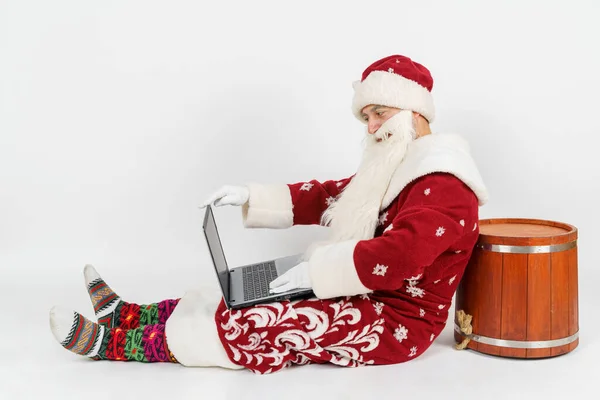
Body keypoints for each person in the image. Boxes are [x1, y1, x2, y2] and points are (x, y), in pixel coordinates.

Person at [49, 54, 489, 374]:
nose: (371, 127)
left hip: (397, 322)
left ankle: (114, 345)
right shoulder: (402, 167)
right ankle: (128, 315)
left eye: (379, 113)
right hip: (362, 290)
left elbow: (402, 255)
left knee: (262, 321)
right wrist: (249, 196)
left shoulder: (446, 183)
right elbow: (334, 195)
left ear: (414, 113)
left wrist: (314, 275)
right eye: (366, 117)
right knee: (247, 292)